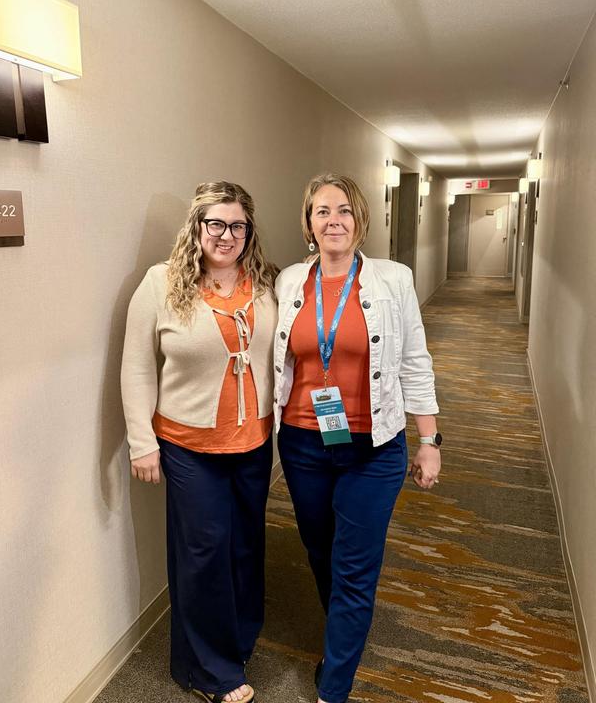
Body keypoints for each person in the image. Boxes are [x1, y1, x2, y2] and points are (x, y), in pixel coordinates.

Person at [274, 174, 441, 703]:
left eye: (343, 210)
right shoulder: (288, 283)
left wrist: (430, 440)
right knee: (320, 550)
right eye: (321, 211)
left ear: (360, 219)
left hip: (374, 447)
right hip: (302, 444)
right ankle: (342, 630)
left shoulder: (393, 280)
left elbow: (415, 360)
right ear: (308, 224)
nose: (333, 220)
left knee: (354, 562)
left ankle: (335, 684)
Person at [121, 181, 277, 703]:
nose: (226, 235)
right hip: (189, 447)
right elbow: (137, 367)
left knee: (246, 545)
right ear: (197, 227)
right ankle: (210, 672)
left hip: (254, 442)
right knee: (203, 551)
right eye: (216, 223)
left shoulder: (266, 284)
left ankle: (236, 641)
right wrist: (142, 442)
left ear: (248, 230)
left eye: (237, 225)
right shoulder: (161, 283)